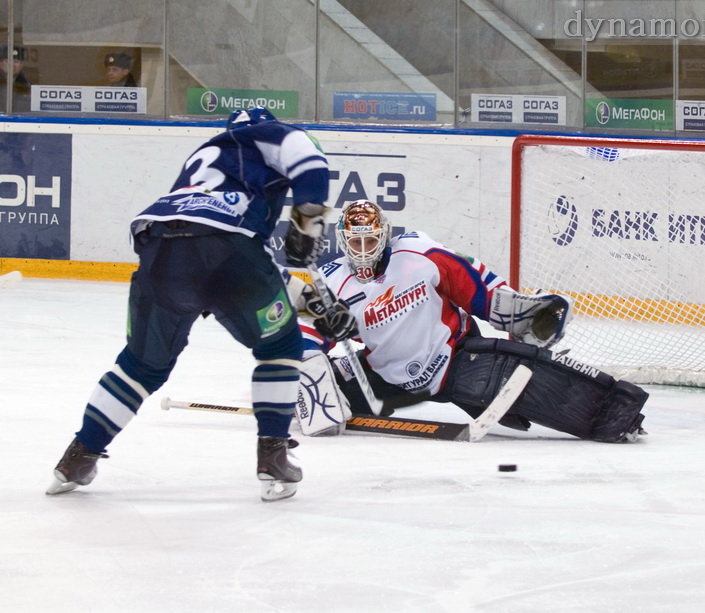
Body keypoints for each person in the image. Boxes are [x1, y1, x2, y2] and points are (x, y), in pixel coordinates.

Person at [45, 106, 356, 501]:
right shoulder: (265, 135)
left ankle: (78, 456)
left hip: (158, 248)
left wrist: (318, 306)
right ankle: (272, 455)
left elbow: (243, 273)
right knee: (281, 346)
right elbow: (309, 164)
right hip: (225, 251)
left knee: (140, 365)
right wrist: (307, 221)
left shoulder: (205, 166)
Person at [292, 200, 648, 442]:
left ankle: (621, 415)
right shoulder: (331, 281)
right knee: (315, 385)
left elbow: (475, 285)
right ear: (342, 242)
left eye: (371, 239)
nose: (365, 249)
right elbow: (306, 331)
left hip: (457, 361)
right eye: (357, 242)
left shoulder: (419, 252)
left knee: (534, 381)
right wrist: (309, 372)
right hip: (386, 378)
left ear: (384, 234)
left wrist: (519, 313)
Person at [0, 44, 31, 112]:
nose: (12, 65)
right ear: (1, 64)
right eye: (7, 61)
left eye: (16, 62)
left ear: (21, 66)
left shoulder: (28, 88)